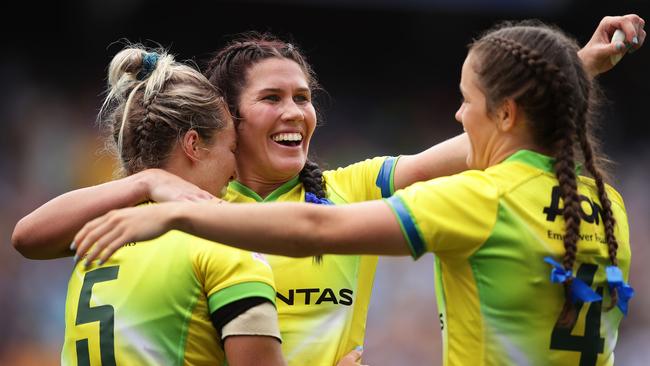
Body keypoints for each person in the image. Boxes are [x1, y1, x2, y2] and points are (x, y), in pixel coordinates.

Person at [12, 14, 644, 366]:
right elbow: (32, 238)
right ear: (227, 120)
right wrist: (147, 183)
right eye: (272, 99)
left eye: (304, 98)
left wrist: (566, 72)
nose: (296, 112)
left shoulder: (348, 188)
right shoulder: (189, 208)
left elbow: (468, 151)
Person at [59, 44, 286, 366]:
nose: (236, 170)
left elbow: (26, 237)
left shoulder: (97, 239)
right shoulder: (225, 247)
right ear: (193, 144)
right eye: (232, 149)